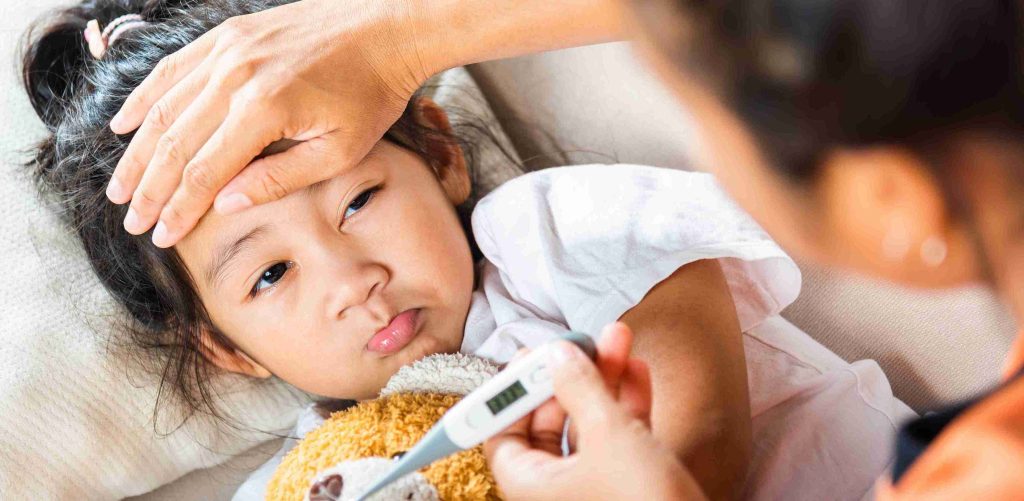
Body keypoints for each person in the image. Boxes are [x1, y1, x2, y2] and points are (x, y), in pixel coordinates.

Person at [95, 0, 1024, 498]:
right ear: (225, 348)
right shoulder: (319, 469)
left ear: (443, 155)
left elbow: (705, 438)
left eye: (361, 199)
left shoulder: (545, 235)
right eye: (269, 273)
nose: (354, 280)